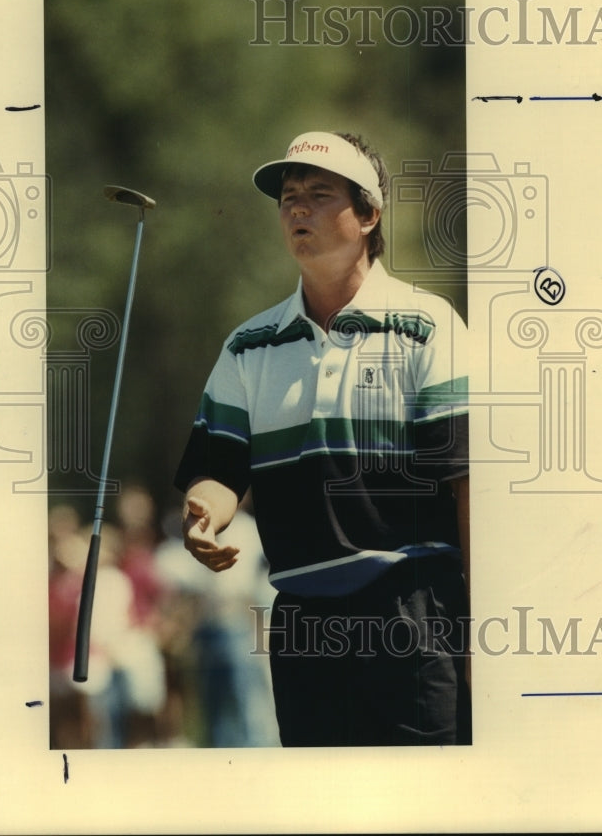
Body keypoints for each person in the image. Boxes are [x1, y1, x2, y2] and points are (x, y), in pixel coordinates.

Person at [175, 130, 471, 746]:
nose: (297, 209)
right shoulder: (248, 345)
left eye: (317, 194)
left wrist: (480, 630)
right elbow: (220, 469)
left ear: (368, 214)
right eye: (288, 198)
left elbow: (466, 487)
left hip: (413, 614)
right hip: (304, 625)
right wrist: (203, 514)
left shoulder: (428, 326)